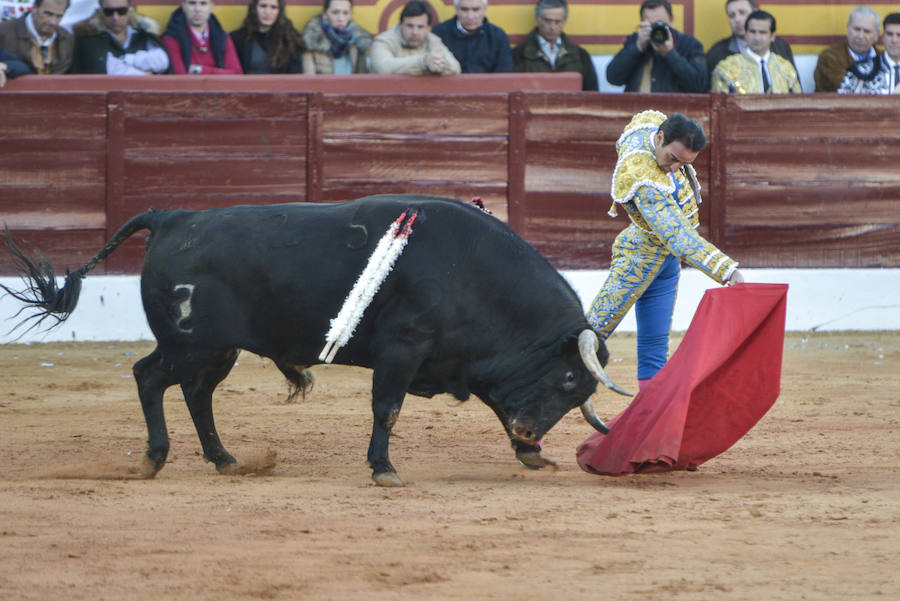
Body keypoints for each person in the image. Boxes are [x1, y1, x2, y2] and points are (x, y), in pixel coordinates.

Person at [586, 110, 744, 388]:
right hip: (638, 258)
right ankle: (532, 406)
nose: (674, 168)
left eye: (683, 164)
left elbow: (640, 121)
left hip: (666, 263)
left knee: (655, 347)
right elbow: (678, 236)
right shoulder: (643, 177)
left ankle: (651, 420)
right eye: (672, 158)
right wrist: (726, 270)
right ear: (660, 138)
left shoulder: (649, 127)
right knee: (590, 336)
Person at [606, 0, 707, 93]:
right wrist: (638, 47)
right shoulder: (636, 40)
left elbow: (699, 86)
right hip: (638, 110)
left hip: (673, 110)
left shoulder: (689, 44)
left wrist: (670, 54)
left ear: (672, 21)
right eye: (651, 25)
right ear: (642, 24)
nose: (657, 30)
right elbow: (613, 78)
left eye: (661, 24)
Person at [512, 0, 598, 91]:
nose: (552, 27)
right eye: (547, 21)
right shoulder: (518, 55)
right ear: (537, 19)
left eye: (557, 22)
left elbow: (593, 96)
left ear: (564, 21)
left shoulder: (581, 55)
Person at [711, 10, 800, 93]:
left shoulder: (786, 68)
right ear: (745, 34)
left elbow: (798, 104)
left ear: (772, 36)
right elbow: (719, 107)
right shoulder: (726, 69)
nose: (757, 38)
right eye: (752, 32)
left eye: (762, 32)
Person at [71, 0, 169, 74]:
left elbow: (163, 62)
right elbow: (108, 69)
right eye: (109, 12)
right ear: (100, 11)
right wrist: (144, 75)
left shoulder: (144, 35)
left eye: (121, 11)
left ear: (129, 11)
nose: (115, 17)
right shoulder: (88, 40)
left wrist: (127, 59)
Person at [706, 0, 795, 82]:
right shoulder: (716, 53)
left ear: (755, 13)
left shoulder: (780, 47)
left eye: (742, 12)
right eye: (732, 15)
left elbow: (794, 86)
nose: (737, 19)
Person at [370, 1, 459, 76]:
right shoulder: (384, 40)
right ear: (401, 25)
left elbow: (455, 68)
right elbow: (383, 68)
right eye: (410, 26)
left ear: (428, 28)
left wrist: (440, 64)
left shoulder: (432, 40)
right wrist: (423, 62)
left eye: (420, 27)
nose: (414, 32)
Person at [431, 0, 513, 73]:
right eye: (464, 9)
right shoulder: (439, 33)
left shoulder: (498, 36)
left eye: (476, 9)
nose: (470, 16)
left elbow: (504, 73)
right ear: (456, 9)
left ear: (484, 9)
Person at [162, 0, 242, 74]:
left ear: (211, 7)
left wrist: (200, 70)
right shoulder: (172, 38)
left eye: (203, 3)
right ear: (183, 6)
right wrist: (220, 73)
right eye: (192, 3)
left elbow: (236, 73)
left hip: (219, 88)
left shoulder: (222, 37)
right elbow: (180, 78)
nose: (197, 9)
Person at [814, 6, 881, 92]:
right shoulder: (829, 57)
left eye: (867, 31)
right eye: (856, 29)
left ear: (876, 36)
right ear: (847, 29)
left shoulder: (884, 58)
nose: (860, 36)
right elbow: (846, 87)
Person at [0, 0, 74, 74]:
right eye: (48, 14)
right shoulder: (4, 33)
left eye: (59, 16)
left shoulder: (68, 39)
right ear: (34, 8)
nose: (53, 22)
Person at [230, 0, 303, 73]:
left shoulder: (290, 38)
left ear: (280, 11)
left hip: (281, 84)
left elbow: (296, 74)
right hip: (249, 84)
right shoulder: (238, 38)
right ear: (254, 8)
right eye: (263, 6)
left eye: (273, 7)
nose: (268, 12)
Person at [301, 0, 372, 74]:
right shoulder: (312, 43)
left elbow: (362, 80)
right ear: (325, 14)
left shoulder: (359, 42)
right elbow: (309, 82)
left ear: (350, 16)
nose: (341, 18)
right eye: (335, 12)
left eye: (345, 13)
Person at [883, 13, 900, 93]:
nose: (894, 40)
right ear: (883, 37)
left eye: (899, 35)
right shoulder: (862, 70)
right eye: (889, 34)